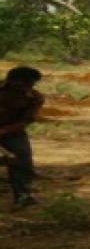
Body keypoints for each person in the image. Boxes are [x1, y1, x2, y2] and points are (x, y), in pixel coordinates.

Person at [0, 67, 44, 208]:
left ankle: (23, 196)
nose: (27, 87)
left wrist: (3, 131)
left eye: (31, 84)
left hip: (12, 132)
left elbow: (26, 121)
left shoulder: (35, 98)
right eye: (23, 83)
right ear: (11, 81)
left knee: (22, 159)